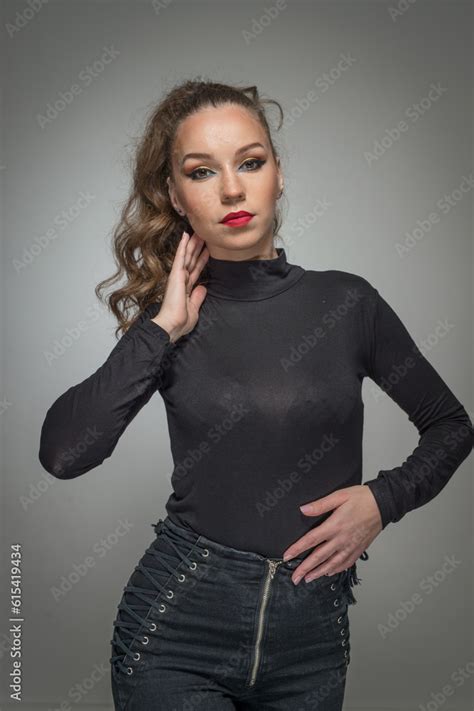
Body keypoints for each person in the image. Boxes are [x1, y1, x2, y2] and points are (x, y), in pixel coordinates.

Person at [38, 79, 473, 710]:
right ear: (175, 196)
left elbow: (452, 425)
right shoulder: (173, 321)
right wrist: (161, 329)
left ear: (277, 172)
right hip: (177, 639)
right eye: (201, 171)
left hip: (313, 647)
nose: (233, 189)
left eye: (250, 162)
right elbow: (62, 453)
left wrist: (385, 499)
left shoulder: (347, 303)